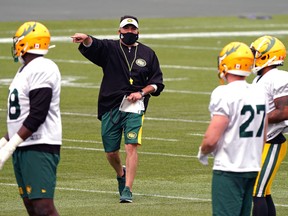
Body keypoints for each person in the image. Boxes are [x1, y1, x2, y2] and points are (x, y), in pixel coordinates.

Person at [71, 15, 164, 203]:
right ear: (119, 31)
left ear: (138, 31)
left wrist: (141, 93)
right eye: (126, 29)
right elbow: (94, 45)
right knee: (111, 152)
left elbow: (157, 83)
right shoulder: (111, 49)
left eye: (133, 29)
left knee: (131, 146)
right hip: (110, 105)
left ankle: (128, 189)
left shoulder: (148, 53)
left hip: (135, 107)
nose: (129, 32)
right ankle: (120, 173)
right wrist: (86, 37)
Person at [197, 41, 268, 216]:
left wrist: (203, 152)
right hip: (252, 166)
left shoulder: (223, 93)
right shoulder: (260, 92)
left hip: (229, 168)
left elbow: (212, 138)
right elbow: (264, 134)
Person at [0, 21, 62, 216]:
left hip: (39, 144)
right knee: (33, 208)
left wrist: (7, 150)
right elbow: (20, 117)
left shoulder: (42, 67)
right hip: (24, 145)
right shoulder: (25, 70)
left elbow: (38, 114)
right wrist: (3, 142)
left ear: (27, 43)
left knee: (44, 208)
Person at [250, 35, 288, 216]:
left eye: (255, 53)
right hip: (260, 141)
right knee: (262, 192)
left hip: (271, 142)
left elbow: (284, 111)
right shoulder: (259, 79)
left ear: (268, 55)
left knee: (256, 191)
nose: (251, 57)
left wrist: (255, 119)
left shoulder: (278, 77)